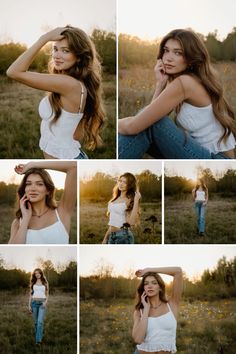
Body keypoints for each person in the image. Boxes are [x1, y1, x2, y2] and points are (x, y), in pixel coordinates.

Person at [118, 29, 236, 159]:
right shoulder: (191, 79)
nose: (168, 57)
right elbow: (149, 117)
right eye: (166, 50)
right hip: (204, 153)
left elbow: (135, 126)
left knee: (153, 123)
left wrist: (117, 124)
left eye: (178, 53)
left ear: (191, 58)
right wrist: (160, 84)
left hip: (216, 160)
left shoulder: (184, 83)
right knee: (149, 123)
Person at [6, 26, 105, 159]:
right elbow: (76, 135)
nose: (57, 56)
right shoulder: (78, 84)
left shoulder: (68, 84)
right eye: (55, 49)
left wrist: (44, 38)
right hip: (72, 157)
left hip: (67, 160)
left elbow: (13, 72)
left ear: (79, 57)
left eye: (65, 51)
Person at [8, 161, 76, 244]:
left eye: (39, 184)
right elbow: (14, 251)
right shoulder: (17, 223)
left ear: (48, 190)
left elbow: (74, 167)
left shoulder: (62, 212)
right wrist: (25, 219)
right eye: (28, 184)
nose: (32, 188)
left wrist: (33, 164)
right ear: (24, 189)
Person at [133, 267, 183, 354]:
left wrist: (148, 270)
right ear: (143, 288)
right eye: (146, 283)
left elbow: (178, 272)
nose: (150, 286)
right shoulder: (139, 312)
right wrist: (146, 310)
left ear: (160, 287)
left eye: (154, 283)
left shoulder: (172, 304)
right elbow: (138, 339)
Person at [102, 173, 141, 244]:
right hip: (111, 236)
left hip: (124, 236)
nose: (121, 184)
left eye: (125, 182)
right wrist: (105, 238)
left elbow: (131, 222)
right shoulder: (114, 200)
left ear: (130, 185)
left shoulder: (129, 200)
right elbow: (112, 222)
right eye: (120, 181)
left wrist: (136, 200)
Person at [28, 268, 49, 346]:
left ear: (41, 273)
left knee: (40, 322)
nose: (37, 274)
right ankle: (39, 335)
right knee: (36, 323)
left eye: (38, 273)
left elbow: (47, 294)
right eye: (35, 273)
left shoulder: (45, 282)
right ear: (34, 274)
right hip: (34, 303)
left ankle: (38, 341)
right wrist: (29, 305)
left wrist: (45, 303)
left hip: (42, 304)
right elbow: (31, 295)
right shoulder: (33, 282)